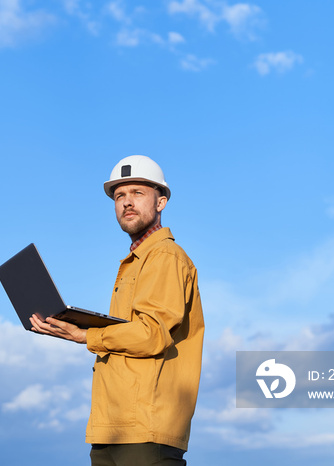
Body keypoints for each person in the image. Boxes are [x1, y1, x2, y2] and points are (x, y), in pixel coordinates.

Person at [29, 155, 205, 466]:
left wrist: (86, 334)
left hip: (145, 428)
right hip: (113, 427)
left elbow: (152, 335)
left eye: (137, 193)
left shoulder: (166, 256)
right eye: (119, 196)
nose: (126, 202)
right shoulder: (135, 261)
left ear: (161, 202)